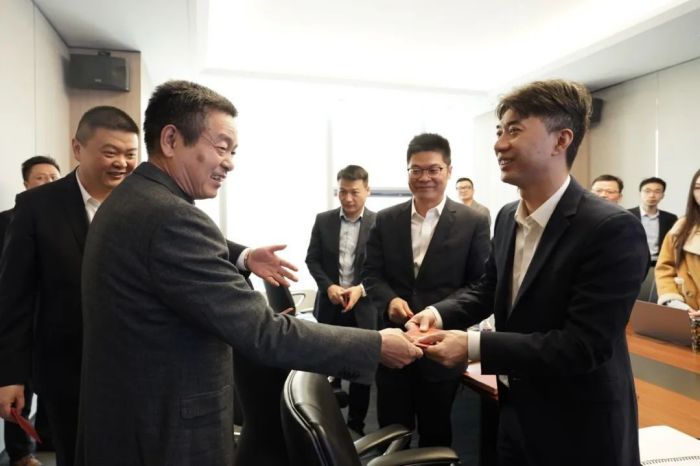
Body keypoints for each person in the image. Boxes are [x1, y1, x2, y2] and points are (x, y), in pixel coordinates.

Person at [73, 80, 422, 466]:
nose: (230, 162)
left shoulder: (132, 198)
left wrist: (243, 256)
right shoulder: (171, 218)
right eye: (221, 147)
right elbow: (263, 331)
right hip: (165, 434)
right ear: (171, 140)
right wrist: (375, 345)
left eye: (234, 151)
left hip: (128, 419)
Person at [408, 80, 649, 466]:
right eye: (499, 131)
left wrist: (473, 347)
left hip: (579, 426)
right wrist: (438, 313)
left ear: (561, 140)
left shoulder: (610, 228)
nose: (499, 144)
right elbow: (490, 288)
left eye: (514, 130)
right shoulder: (507, 217)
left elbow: (583, 346)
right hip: (516, 411)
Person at [0, 107, 139, 466]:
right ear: (78, 148)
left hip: (135, 366)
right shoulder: (36, 206)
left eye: (130, 154)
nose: (122, 163)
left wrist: (243, 256)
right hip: (67, 368)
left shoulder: (142, 200)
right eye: (110, 152)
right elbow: (15, 296)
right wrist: (11, 376)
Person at [363, 133, 490, 447]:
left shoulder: (473, 221)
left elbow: (480, 284)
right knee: (392, 432)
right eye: (416, 170)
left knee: (437, 432)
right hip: (394, 343)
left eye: (433, 169)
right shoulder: (385, 219)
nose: (424, 178)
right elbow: (371, 274)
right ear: (407, 172)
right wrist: (389, 300)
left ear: (448, 170)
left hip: (442, 345)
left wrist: (437, 313)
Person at [305, 164, 377, 436]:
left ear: (367, 191)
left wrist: (361, 289)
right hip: (331, 305)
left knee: (362, 369)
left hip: (363, 308)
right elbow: (312, 260)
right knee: (324, 365)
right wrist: (329, 287)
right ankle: (324, 425)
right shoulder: (323, 220)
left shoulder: (380, 224)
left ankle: (356, 426)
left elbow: (383, 269)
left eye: (354, 192)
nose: (348, 198)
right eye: (342, 192)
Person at [0, 156, 60, 466]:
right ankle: (20, 454)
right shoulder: (5, 221)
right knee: (19, 388)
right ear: (26, 184)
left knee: (55, 385)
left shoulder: (66, 220)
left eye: (54, 177)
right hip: (22, 319)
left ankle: (49, 437)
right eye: (41, 177)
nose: (49, 182)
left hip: (56, 318)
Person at [655, 168, 700, 317]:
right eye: (697, 188)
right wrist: (675, 302)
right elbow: (665, 268)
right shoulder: (681, 228)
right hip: (689, 316)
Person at [629, 177, 678, 265]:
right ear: (640, 193)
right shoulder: (628, 215)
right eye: (647, 191)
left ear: (662, 195)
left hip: (660, 263)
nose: (652, 195)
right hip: (633, 262)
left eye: (657, 191)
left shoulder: (671, 218)